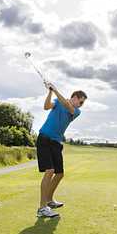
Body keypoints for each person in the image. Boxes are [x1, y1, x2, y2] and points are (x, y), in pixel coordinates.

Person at [36, 81, 87, 218]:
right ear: (75, 97)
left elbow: (67, 105)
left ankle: (49, 200)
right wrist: (50, 92)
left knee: (59, 173)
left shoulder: (76, 111)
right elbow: (46, 106)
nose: (80, 105)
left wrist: (56, 90)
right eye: (80, 102)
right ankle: (42, 208)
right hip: (44, 138)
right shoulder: (59, 102)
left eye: (82, 103)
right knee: (50, 171)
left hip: (56, 142)